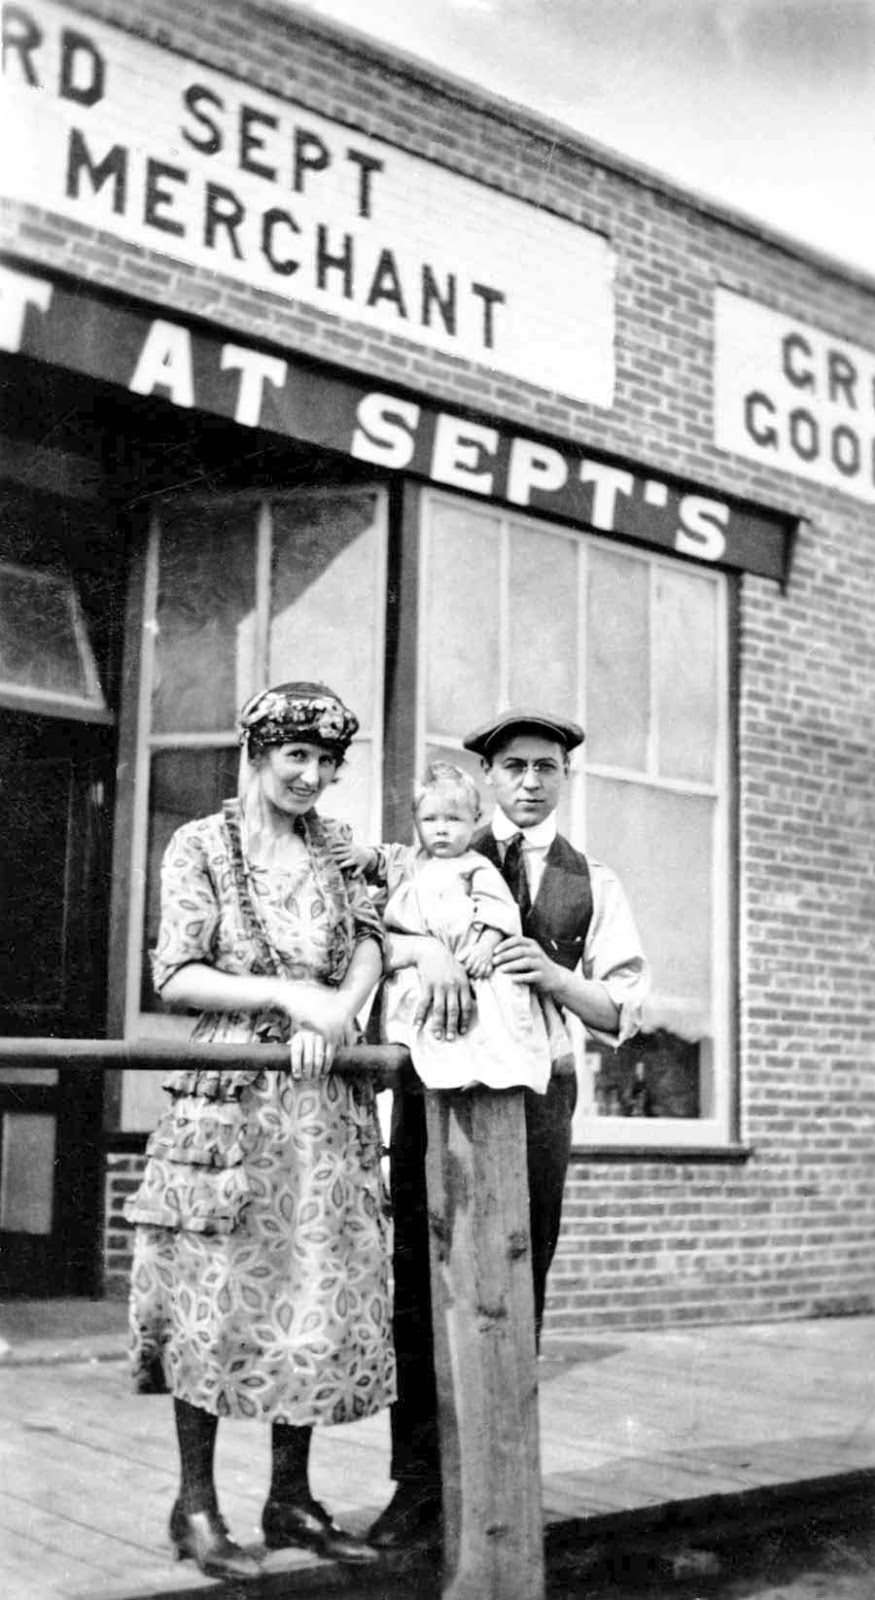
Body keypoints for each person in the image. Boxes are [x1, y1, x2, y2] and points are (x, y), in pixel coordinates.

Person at [124, 682, 394, 1580]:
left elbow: (369, 940)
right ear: (257, 752)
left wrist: (341, 1011)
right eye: (296, 756)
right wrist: (287, 996)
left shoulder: (342, 853)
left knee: (315, 1286)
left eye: (325, 761)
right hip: (234, 1093)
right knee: (210, 1290)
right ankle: (195, 1503)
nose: (311, 775)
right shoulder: (201, 844)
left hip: (324, 1103)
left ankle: (292, 1498)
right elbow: (178, 974)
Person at [367, 708, 649, 1552]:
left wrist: (554, 975)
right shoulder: (438, 850)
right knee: (422, 1281)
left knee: (516, 1283)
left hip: (535, 1099)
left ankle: (499, 1484)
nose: (528, 782)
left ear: (565, 778)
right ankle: (416, 1490)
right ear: (486, 777)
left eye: (545, 768)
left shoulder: (590, 880)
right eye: (513, 767)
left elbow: (621, 1010)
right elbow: (375, 935)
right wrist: (428, 954)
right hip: (437, 1090)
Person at [331, 759, 562, 1094]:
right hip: (418, 969)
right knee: (416, 1017)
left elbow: (498, 907)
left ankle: (473, 1074)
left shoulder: (474, 866)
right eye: (429, 819)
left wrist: (488, 941)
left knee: (481, 1019)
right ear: (416, 822)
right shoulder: (407, 861)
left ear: (474, 821)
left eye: (453, 819)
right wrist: (360, 855)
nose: (441, 829)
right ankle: (416, 1065)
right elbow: (376, 860)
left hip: (469, 961)